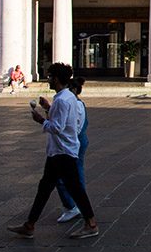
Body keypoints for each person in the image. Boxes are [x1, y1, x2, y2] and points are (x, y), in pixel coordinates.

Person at [7, 62, 99, 240]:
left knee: (74, 189)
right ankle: (29, 225)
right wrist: (48, 108)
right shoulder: (66, 98)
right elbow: (62, 120)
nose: (48, 79)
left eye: (50, 76)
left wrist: (41, 120)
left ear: (56, 79)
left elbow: (58, 127)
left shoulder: (63, 100)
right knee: (46, 188)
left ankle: (91, 223)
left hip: (63, 152)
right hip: (58, 151)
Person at [54, 76, 89, 223]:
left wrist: (43, 121)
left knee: (63, 177)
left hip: (72, 143)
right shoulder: (76, 103)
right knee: (74, 174)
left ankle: (73, 207)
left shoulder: (73, 103)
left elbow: (70, 126)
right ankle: (80, 208)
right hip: (77, 141)